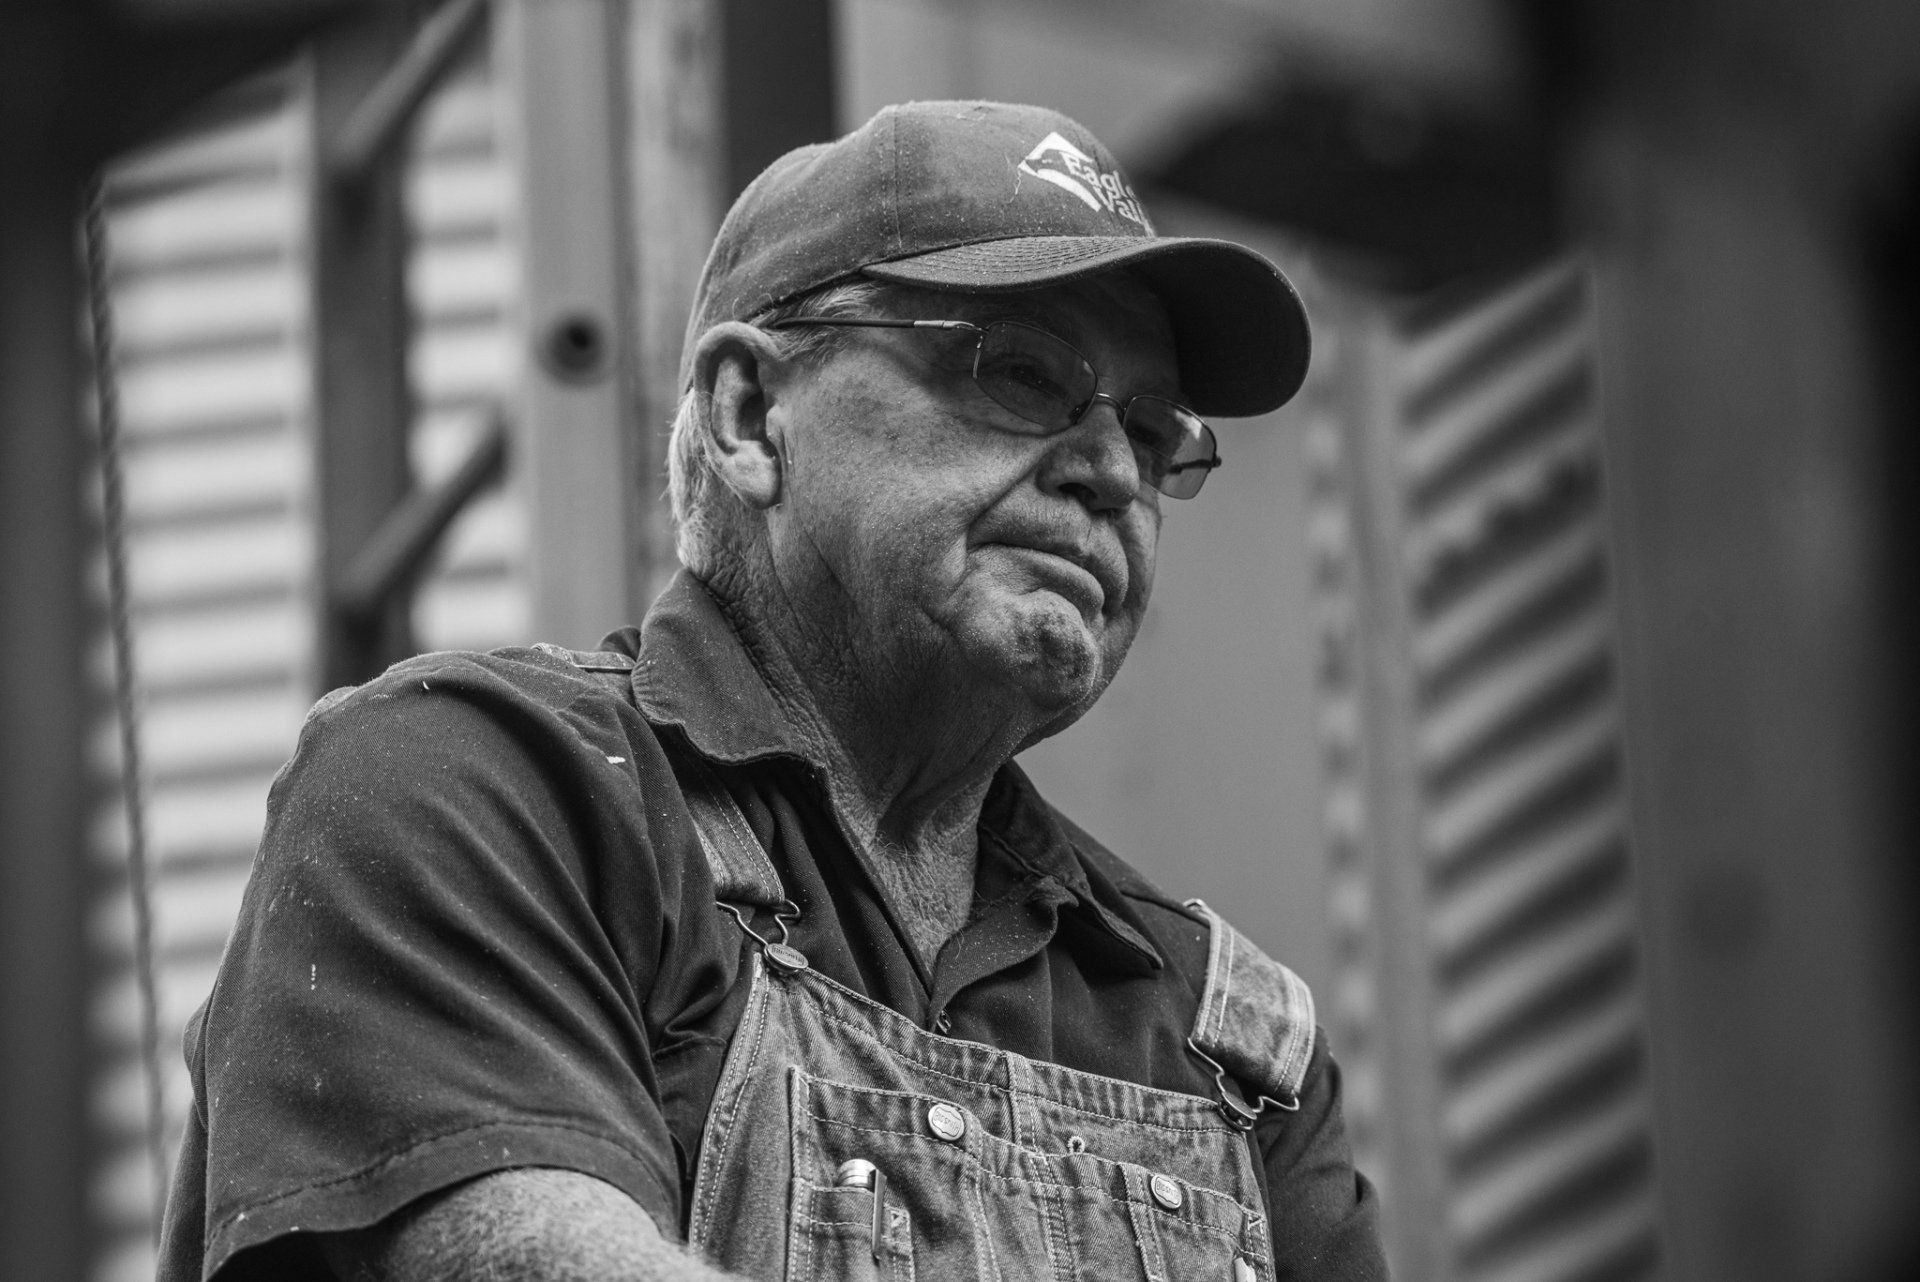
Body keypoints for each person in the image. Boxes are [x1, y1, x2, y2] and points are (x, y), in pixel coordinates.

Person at [158, 100, 1387, 1281]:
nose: (1113, 470)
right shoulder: (477, 794)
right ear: (750, 417)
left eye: (1156, 432)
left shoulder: (1227, 1039)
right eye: (1021, 373)